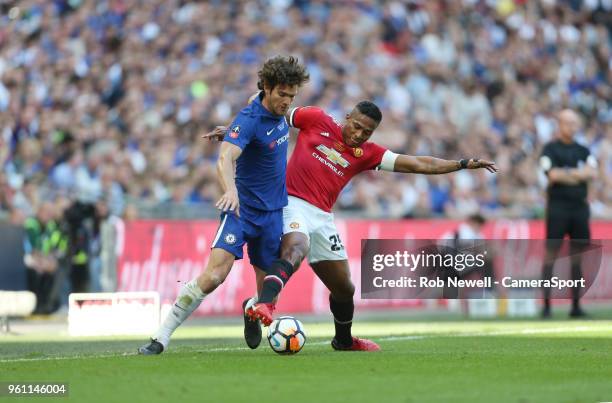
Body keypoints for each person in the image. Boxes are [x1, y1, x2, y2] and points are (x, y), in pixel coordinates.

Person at [208, 101, 497, 351]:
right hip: (291, 202)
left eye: (366, 132)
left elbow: (419, 163)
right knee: (296, 248)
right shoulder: (316, 119)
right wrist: (237, 133)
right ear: (348, 116)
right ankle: (266, 305)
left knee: (344, 288)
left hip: (323, 216)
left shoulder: (369, 154)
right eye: (356, 126)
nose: (358, 134)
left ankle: (341, 340)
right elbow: (270, 113)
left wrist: (461, 163)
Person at [138, 56, 309, 355]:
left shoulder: (266, 107)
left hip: (272, 213)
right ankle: (161, 336)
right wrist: (230, 190)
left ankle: (249, 308)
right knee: (215, 275)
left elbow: (244, 130)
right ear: (267, 88)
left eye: (292, 96)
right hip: (241, 210)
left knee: (267, 296)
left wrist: (231, 131)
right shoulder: (250, 118)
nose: (287, 101)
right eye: (282, 94)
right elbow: (224, 159)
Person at [539, 109, 597, 318]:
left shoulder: (584, 150)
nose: (571, 127)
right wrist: (578, 175)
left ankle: (576, 306)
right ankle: (546, 306)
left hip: (579, 208)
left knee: (577, 257)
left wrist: (566, 174)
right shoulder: (550, 149)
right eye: (567, 123)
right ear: (560, 125)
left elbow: (592, 173)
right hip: (557, 208)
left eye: (574, 123)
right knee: (551, 254)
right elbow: (552, 175)